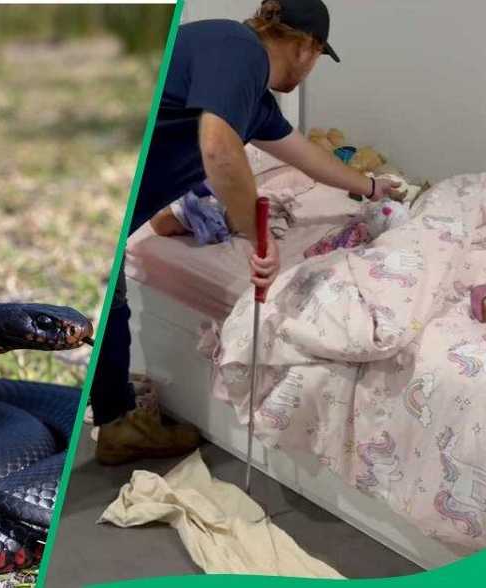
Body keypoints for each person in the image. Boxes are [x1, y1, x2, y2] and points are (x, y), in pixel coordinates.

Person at [93, 0, 403, 466]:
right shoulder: (237, 49)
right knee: (102, 305)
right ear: (306, 47)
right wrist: (260, 238)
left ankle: (116, 421)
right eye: (318, 58)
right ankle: (116, 425)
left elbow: (304, 155)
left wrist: (371, 187)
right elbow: (219, 149)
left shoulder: (250, 94)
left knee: (109, 303)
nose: (311, 69)